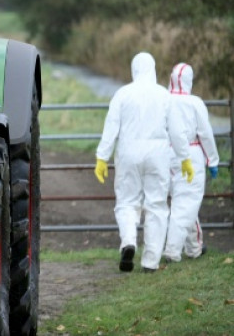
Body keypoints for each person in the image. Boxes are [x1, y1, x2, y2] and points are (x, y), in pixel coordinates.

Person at [94, 52, 191, 273]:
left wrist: (102, 157)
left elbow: (111, 127)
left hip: (128, 152)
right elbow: (177, 131)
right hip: (158, 154)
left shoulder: (122, 94)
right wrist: (184, 158)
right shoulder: (164, 95)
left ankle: (129, 241)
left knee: (127, 202)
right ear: (153, 69)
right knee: (156, 206)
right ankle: (150, 262)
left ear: (134, 69)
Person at [163, 63, 220, 262]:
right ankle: (172, 250)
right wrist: (212, 159)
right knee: (186, 202)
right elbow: (205, 133)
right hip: (190, 152)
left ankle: (194, 247)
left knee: (183, 201)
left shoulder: (163, 100)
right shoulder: (194, 102)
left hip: (164, 154)